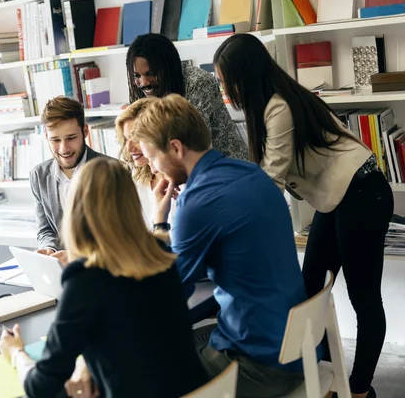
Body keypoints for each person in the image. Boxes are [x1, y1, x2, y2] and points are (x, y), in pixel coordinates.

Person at [213, 34, 393, 398]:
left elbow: (269, 182)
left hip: (362, 193)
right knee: (309, 292)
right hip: (341, 198)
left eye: (223, 81)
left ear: (243, 77)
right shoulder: (271, 105)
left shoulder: (279, 107)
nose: (222, 91)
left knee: (364, 298)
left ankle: (359, 390)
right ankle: (324, 378)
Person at [132, 94, 309, 397]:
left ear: (175, 148)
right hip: (296, 347)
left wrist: (159, 220)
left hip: (260, 366)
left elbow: (168, 293)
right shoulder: (251, 172)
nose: (152, 166)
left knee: (142, 368)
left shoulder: (197, 201)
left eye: (152, 157)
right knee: (188, 338)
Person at [0, 157, 207, 398]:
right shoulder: (160, 255)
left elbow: (39, 386)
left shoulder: (85, 280)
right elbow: (132, 331)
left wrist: (16, 354)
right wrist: (87, 363)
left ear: (77, 212)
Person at [126, 33, 247, 161]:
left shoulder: (199, 83)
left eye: (151, 74)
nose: (144, 82)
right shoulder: (146, 93)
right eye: (137, 76)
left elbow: (192, 146)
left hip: (222, 168)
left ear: (167, 68)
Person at [30, 96, 103, 259]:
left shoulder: (112, 170)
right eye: (55, 140)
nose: (64, 149)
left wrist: (76, 256)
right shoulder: (38, 175)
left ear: (85, 131)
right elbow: (46, 229)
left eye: (71, 138)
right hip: (61, 268)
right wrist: (49, 248)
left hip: (101, 268)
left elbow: (120, 235)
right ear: (46, 137)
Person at [115, 101, 178, 225]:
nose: (129, 148)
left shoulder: (183, 182)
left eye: (136, 139)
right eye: (126, 139)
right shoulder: (136, 179)